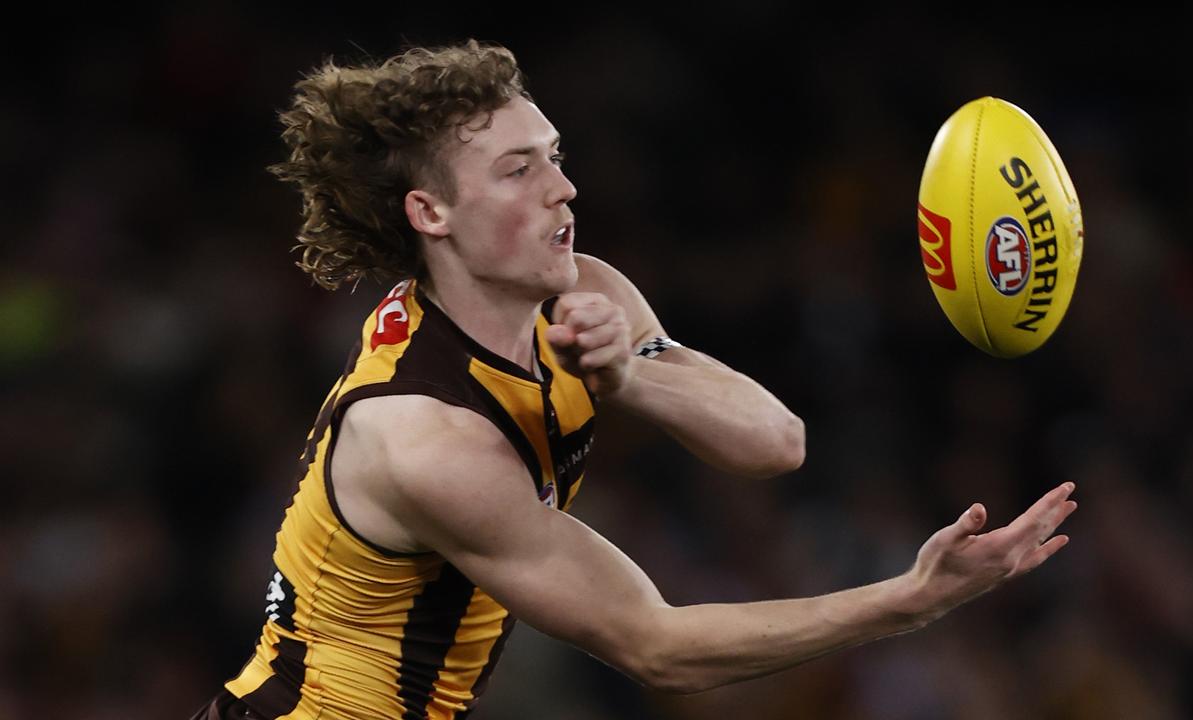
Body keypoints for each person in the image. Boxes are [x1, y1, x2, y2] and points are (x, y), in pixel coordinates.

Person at [190, 40, 1078, 720]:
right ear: (431, 213)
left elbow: (775, 444)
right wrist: (910, 601)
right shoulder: (425, 438)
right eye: (518, 169)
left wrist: (630, 377)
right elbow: (658, 648)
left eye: (554, 154)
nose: (564, 188)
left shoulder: (584, 290)